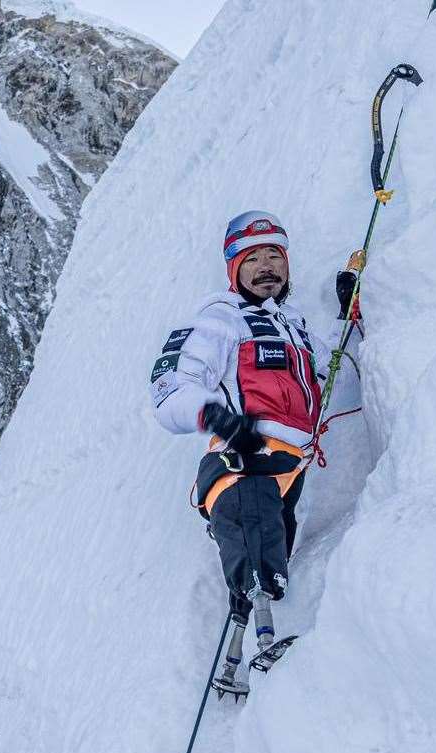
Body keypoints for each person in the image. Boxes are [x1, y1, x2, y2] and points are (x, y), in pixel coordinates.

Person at [149, 210, 359, 695]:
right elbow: (168, 386)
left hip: (291, 466)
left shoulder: (297, 326)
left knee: (274, 553)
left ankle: (240, 657)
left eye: (275, 256)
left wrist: (349, 314)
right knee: (259, 556)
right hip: (244, 459)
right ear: (234, 268)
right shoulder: (220, 319)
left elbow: (336, 381)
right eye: (253, 258)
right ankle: (269, 650)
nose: (267, 266)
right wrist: (220, 419)